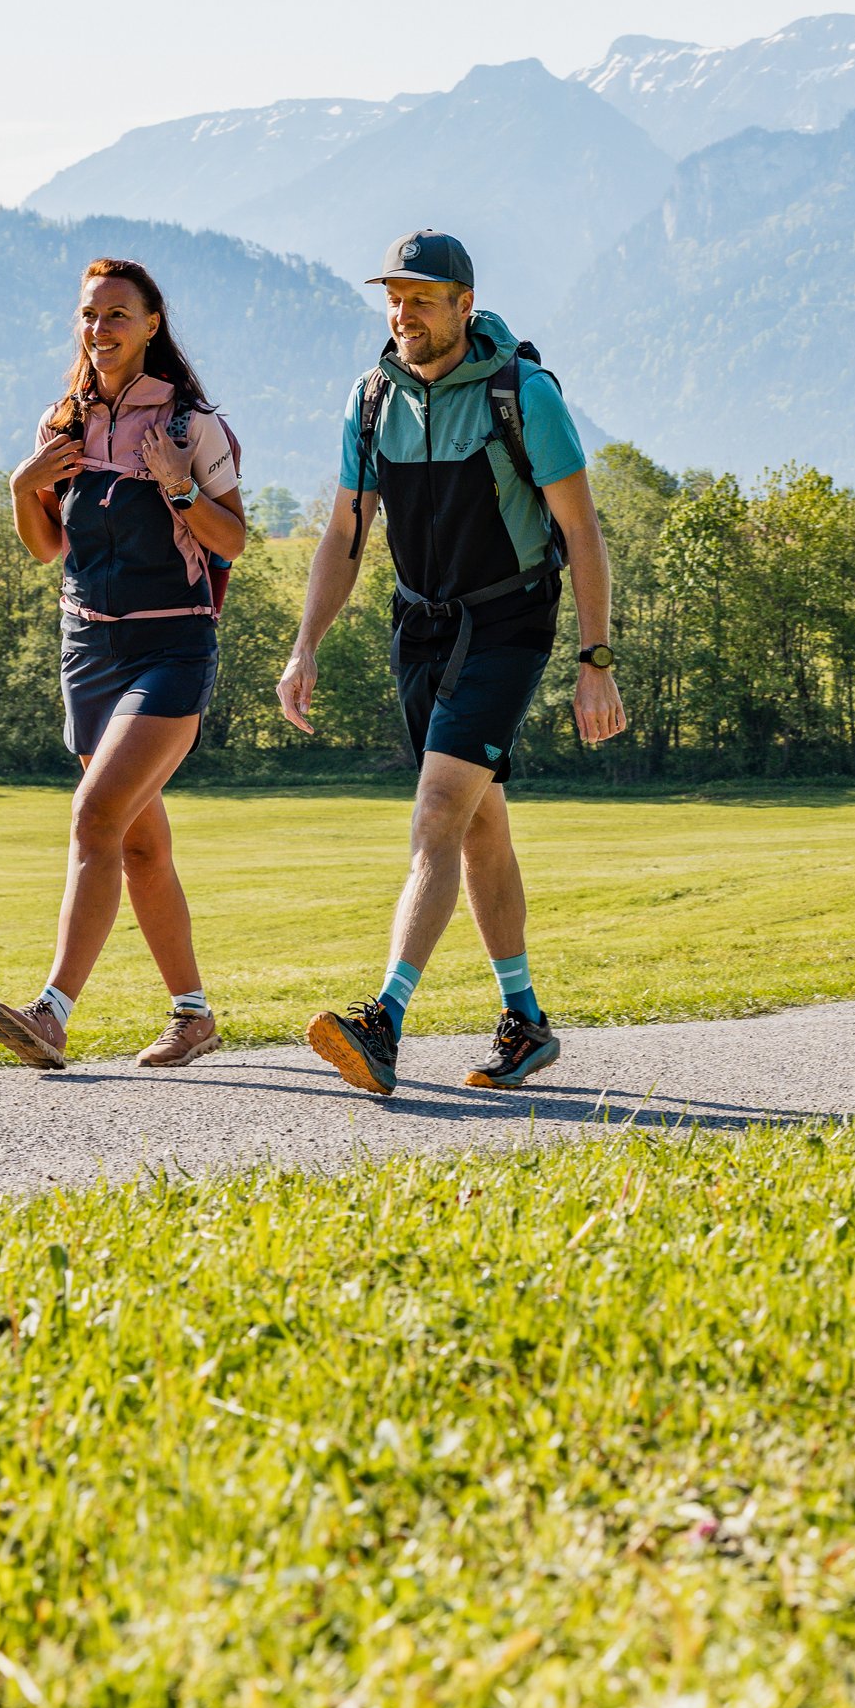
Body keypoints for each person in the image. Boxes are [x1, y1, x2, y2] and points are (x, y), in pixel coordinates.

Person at [276, 228, 624, 1096]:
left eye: (423, 300)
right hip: (420, 628)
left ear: (465, 306)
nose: (404, 315)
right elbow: (346, 533)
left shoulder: (522, 395)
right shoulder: (370, 400)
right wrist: (305, 643)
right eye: (395, 299)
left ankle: (383, 1021)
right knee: (477, 823)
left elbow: (582, 531)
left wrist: (595, 659)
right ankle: (526, 1021)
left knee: (437, 809)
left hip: (508, 620)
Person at [0, 258, 249, 1071]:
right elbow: (46, 548)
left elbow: (233, 541)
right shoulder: (61, 423)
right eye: (90, 315)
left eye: (118, 314)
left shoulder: (192, 426)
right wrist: (22, 488)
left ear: (151, 324)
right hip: (87, 651)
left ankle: (52, 1013)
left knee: (96, 816)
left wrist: (179, 489)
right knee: (137, 847)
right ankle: (193, 1015)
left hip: (171, 649)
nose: (101, 328)